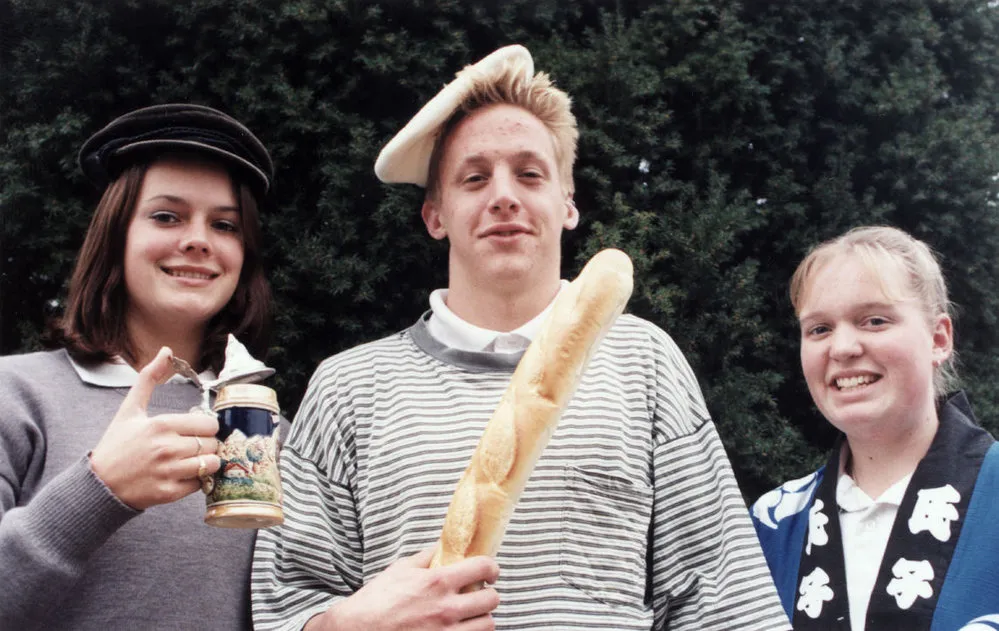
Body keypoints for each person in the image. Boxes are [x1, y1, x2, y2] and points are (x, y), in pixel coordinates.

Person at [252, 45, 789, 630]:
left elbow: (722, 597)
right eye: (475, 177)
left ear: (567, 203)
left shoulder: (645, 361)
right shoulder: (348, 388)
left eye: (529, 173)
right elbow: (283, 604)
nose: (503, 195)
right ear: (435, 215)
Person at [0, 103, 275, 630]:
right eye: (166, 216)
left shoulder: (269, 428)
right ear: (116, 236)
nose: (198, 239)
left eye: (224, 224)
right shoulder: (16, 396)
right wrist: (98, 489)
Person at [751, 226, 999, 630]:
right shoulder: (771, 524)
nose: (843, 347)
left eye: (874, 320)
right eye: (819, 329)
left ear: (938, 338)